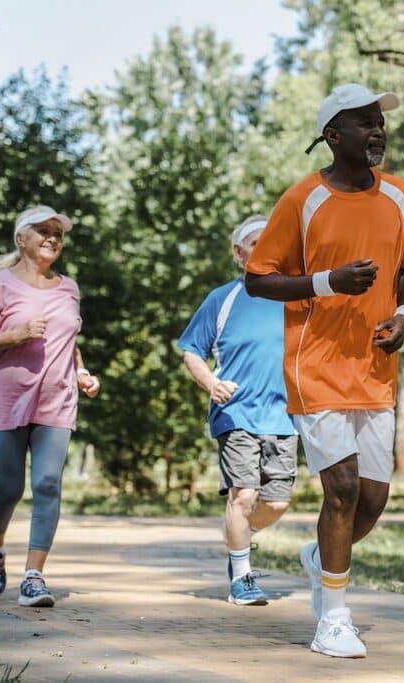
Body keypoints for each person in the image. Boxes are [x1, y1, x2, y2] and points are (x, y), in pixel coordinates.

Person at [244, 83, 404, 659]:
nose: (377, 130)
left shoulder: (401, 196)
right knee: (343, 490)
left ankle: (320, 557)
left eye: (380, 122)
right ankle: (333, 619)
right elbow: (258, 277)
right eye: (364, 122)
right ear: (333, 135)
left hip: (374, 367)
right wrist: (328, 282)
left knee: (372, 500)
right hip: (316, 366)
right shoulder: (302, 199)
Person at [0, 205, 100, 607]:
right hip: (6, 397)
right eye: (43, 230)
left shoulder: (69, 287)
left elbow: (69, 339)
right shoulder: (0, 286)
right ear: (21, 238)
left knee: (47, 485)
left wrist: (81, 371)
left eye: (58, 233)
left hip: (57, 399)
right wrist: (18, 333)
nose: (53, 238)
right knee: (8, 488)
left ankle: (34, 577)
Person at [177, 215, 298, 606]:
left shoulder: (295, 298)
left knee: (277, 503)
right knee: (243, 495)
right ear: (238, 252)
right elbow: (191, 351)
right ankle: (242, 573)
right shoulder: (222, 299)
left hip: (285, 414)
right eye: (255, 242)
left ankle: (239, 536)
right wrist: (211, 383)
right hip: (236, 411)